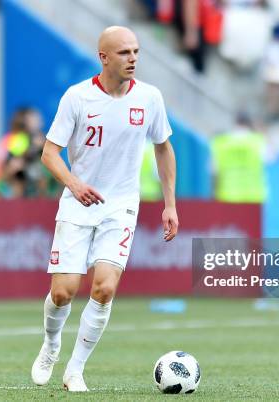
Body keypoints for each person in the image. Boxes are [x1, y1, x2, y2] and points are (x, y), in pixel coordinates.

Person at [31, 26, 178, 392]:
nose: (133, 59)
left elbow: (163, 147)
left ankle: (75, 370)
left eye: (136, 51)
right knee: (63, 292)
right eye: (125, 52)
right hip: (78, 204)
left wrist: (169, 204)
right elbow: (49, 153)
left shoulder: (150, 98)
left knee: (105, 288)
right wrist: (75, 184)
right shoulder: (78, 98)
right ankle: (51, 345)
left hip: (121, 206)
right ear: (104, 57)